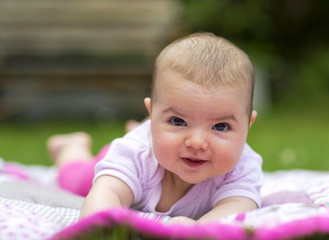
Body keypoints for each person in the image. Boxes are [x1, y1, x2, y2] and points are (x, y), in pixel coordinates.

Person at [48, 32, 263, 224]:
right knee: (75, 182)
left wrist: (197, 230)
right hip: (135, 153)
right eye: (177, 121)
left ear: (248, 125)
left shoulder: (242, 166)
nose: (197, 142)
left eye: (220, 126)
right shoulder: (136, 153)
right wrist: (102, 228)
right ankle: (71, 147)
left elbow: (238, 206)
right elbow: (109, 191)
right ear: (152, 114)